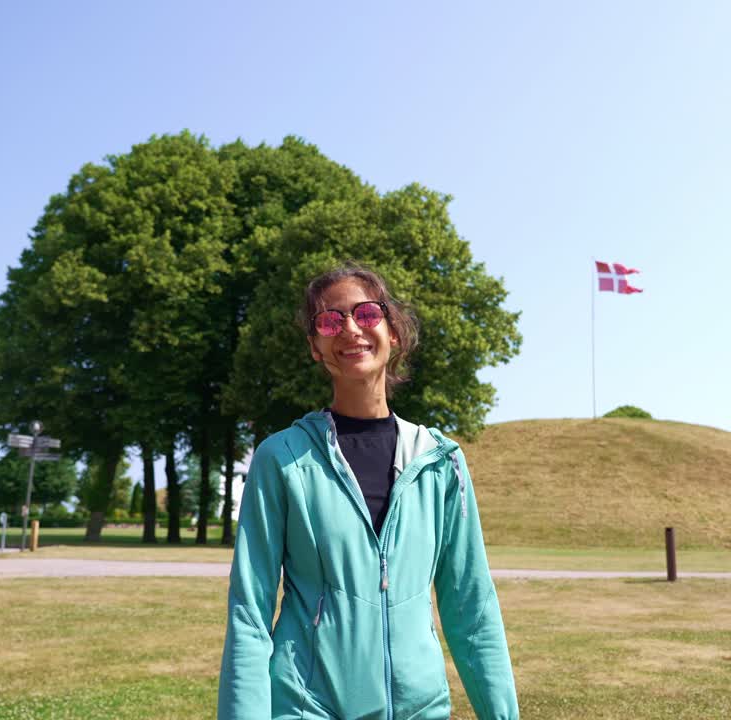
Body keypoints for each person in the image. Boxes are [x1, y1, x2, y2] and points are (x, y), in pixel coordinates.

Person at [218, 263, 519, 719]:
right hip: (307, 707)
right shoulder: (281, 459)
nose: (350, 329)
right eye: (329, 321)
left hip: (422, 709)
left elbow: (471, 605)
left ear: (393, 331)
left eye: (366, 314)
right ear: (316, 348)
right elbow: (250, 611)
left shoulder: (440, 462)